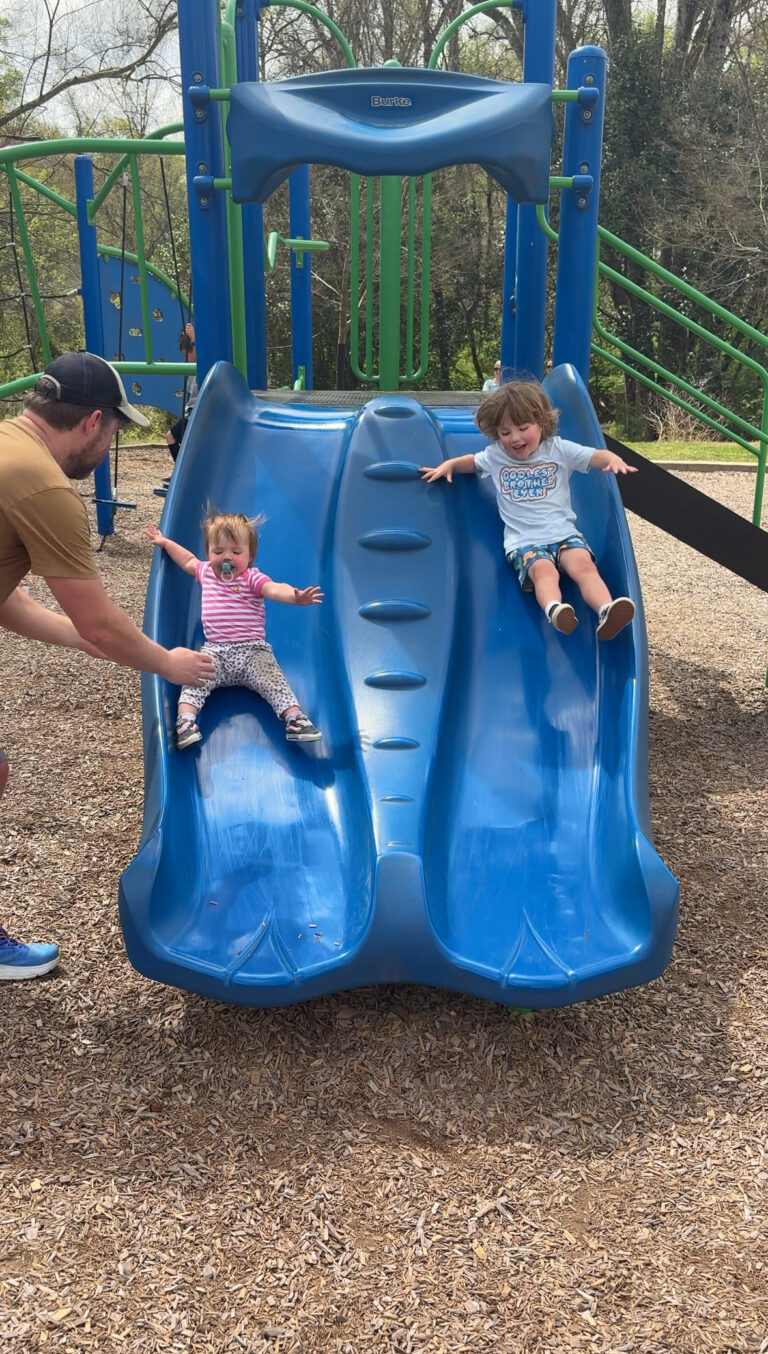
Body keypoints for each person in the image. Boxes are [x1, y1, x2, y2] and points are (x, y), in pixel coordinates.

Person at [0, 351, 214, 980]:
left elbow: (7, 596)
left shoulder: (7, 445)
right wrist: (166, 662)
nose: (111, 441)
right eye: (116, 430)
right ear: (93, 421)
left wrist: (80, 640)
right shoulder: (41, 483)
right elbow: (100, 619)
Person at [420, 379, 638, 639]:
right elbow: (473, 462)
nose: (515, 438)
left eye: (523, 428)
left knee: (584, 566)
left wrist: (612, 459)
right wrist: (450, 465)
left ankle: (605, 609)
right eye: (505, 432)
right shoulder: (496, 455)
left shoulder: (558, 449)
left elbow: (592, 455)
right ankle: (554, 609)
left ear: (541, 424)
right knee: (543, 572)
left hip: (564, 533)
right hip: (525, 542)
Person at [145, 509, 323, 748]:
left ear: (249, 557)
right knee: (193, 677)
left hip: (252, 652)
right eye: (218, 551)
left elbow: (274, 588)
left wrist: (295, 596)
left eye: (236, 552)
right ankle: (186, 722)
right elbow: (187, 560)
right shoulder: (207, 572)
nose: (226, 557)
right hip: (215, 652)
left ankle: (294, 719)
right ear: (208, 553)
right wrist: (164, 542)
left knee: (274, 679)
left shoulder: (252, 578)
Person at [165, 321, 197, 465]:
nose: (186, 359)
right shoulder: (191, 368)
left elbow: (199, 354)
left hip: (195, 413)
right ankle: (181, 472)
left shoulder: (200, 365)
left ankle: (180, 472)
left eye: (187, 355)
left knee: (170, 437)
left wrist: (193, 338)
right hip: (191, 412)